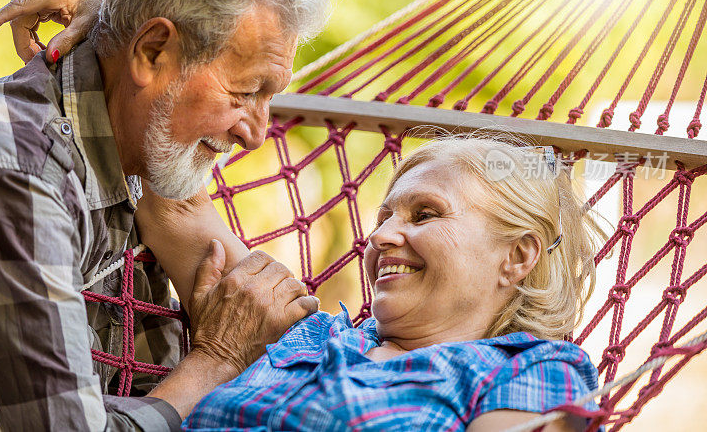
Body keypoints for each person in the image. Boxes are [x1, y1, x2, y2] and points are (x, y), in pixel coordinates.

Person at [0, 0, 331, 431]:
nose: (256, 132)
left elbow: (149, 379)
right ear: (151, 51)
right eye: (245, 92)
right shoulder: (14, 173)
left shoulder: (134, 150)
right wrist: (217, 360)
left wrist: (112, 8)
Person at [134, 136, 605, 431]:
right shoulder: (303, 332)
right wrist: (119, 23)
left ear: (517, 257)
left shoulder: (530, 370)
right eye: (383, 218)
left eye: (425, 215)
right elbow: (172, 206)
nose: (378, 237)